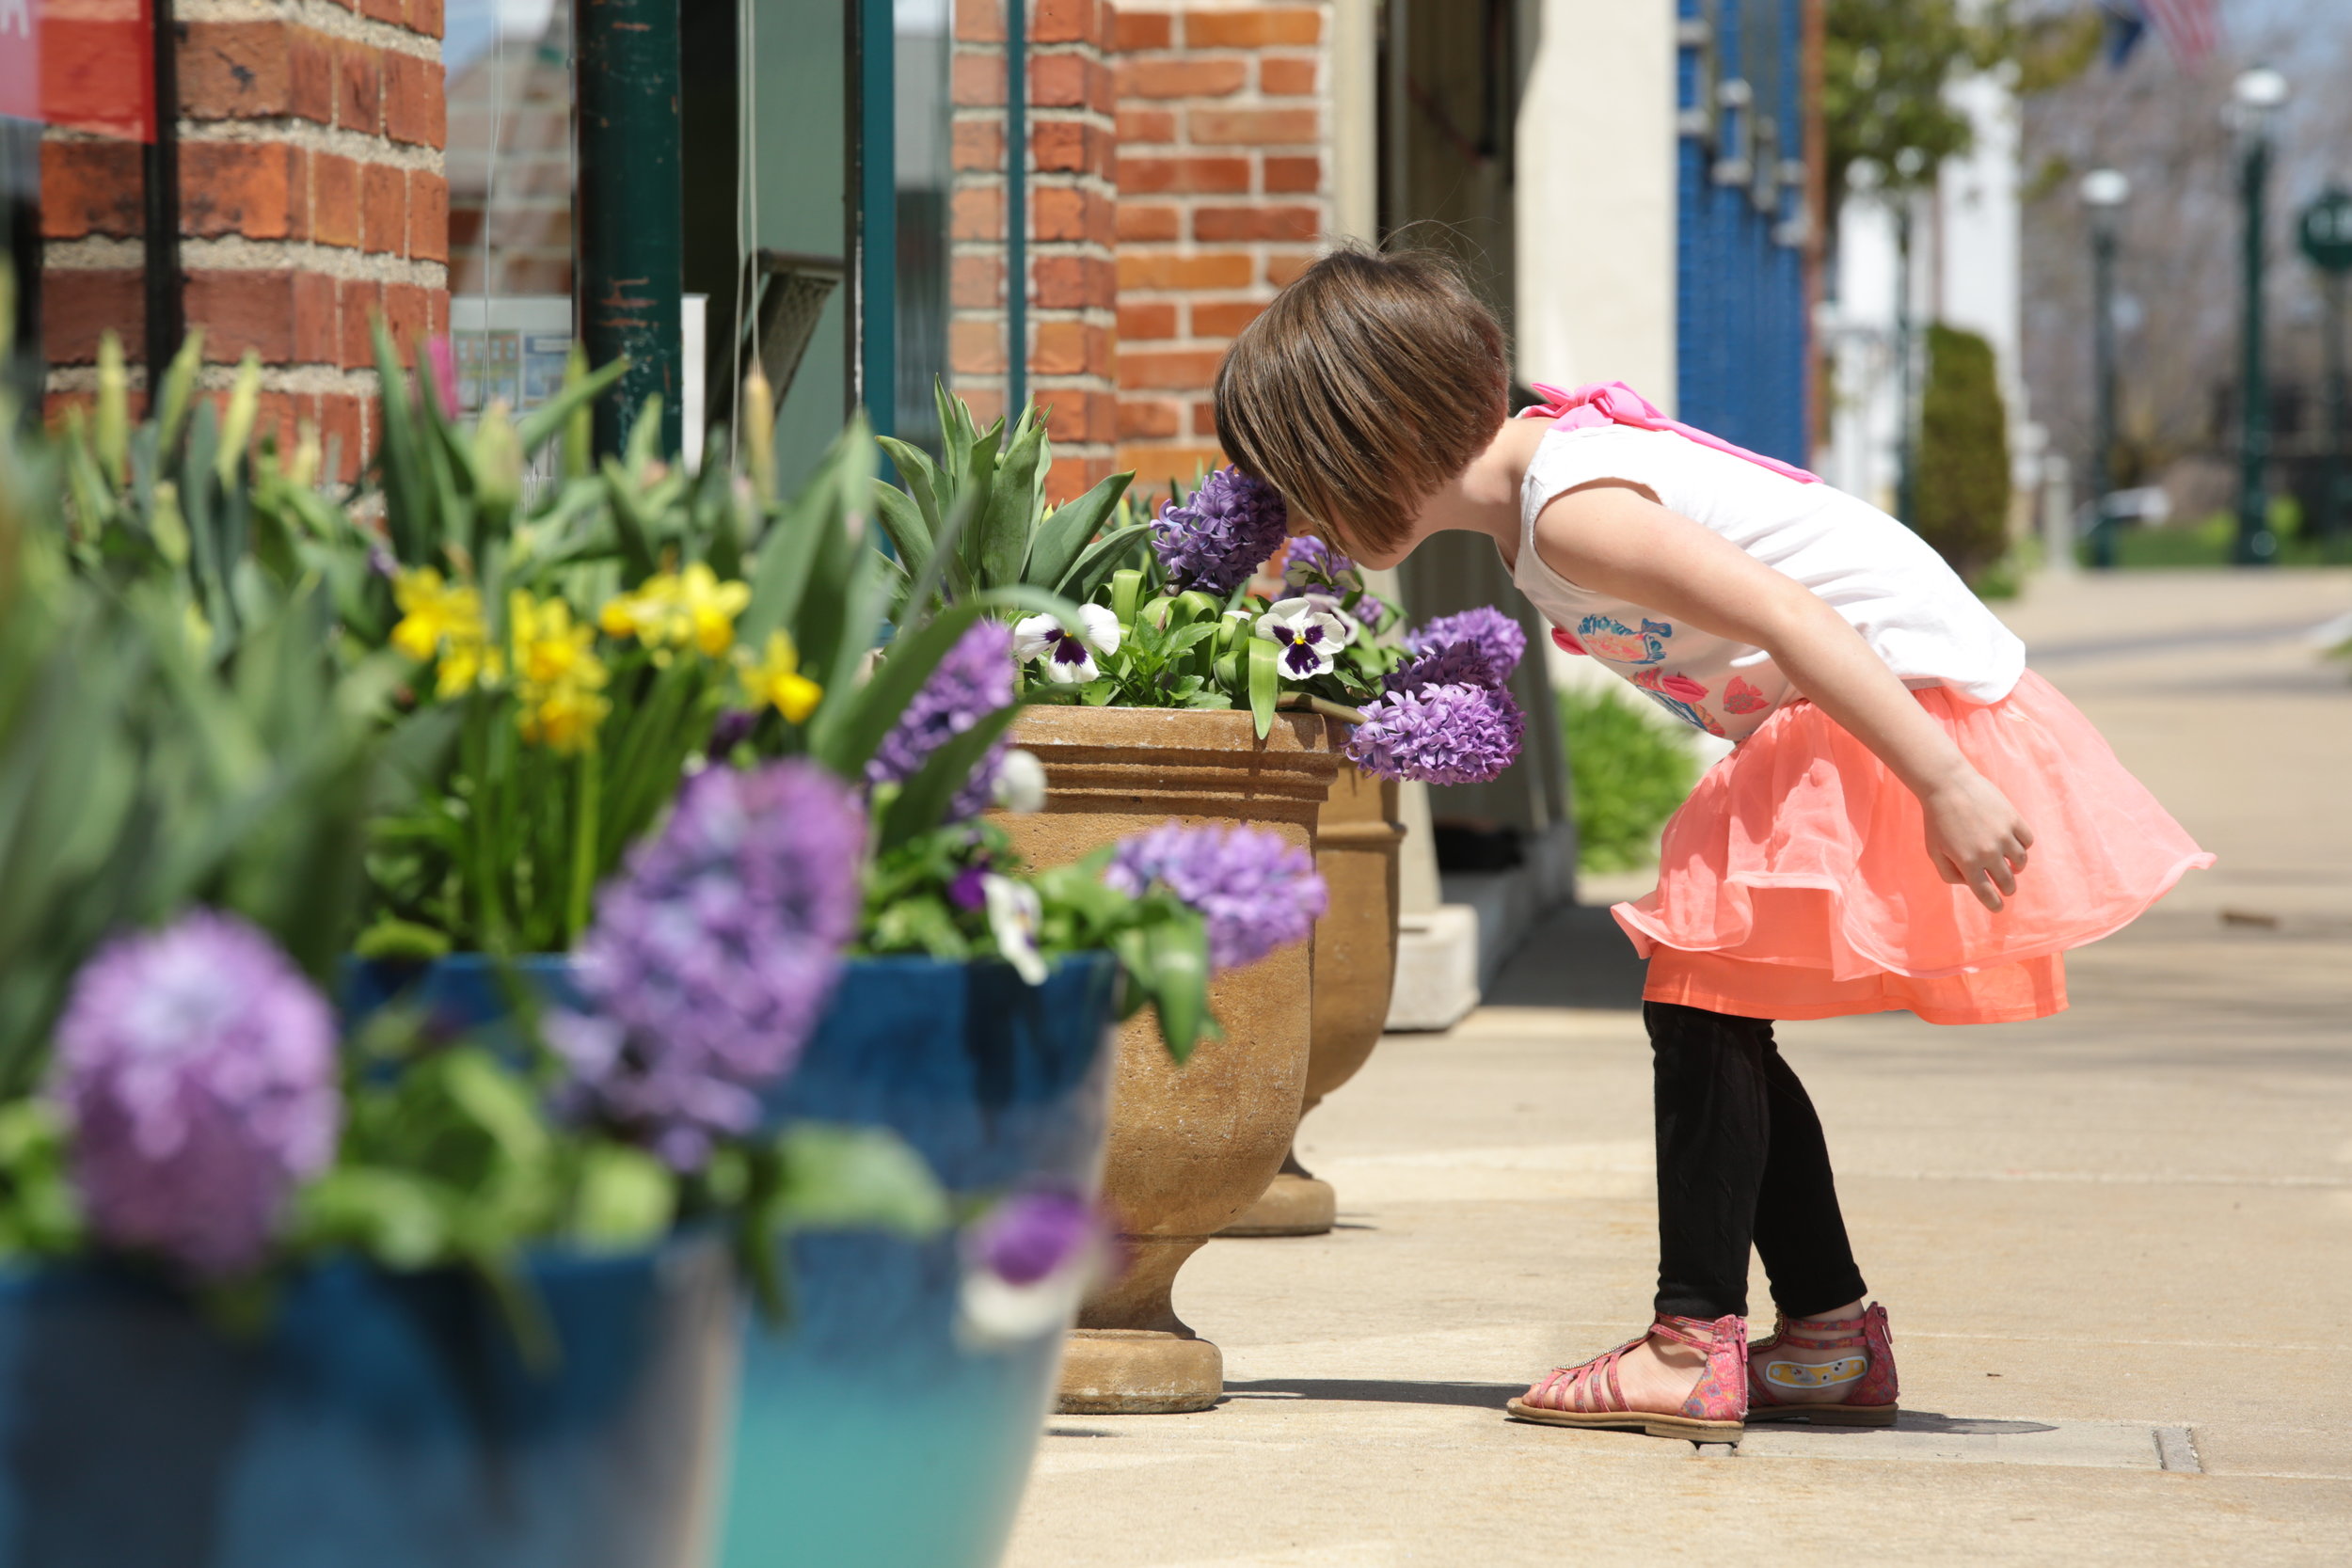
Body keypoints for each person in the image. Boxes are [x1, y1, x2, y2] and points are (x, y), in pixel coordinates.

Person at [1212, 247, 2212, 1442]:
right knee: (1706, 1010)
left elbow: (1797, 612)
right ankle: (1827, 1336)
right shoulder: (1550, 486)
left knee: (1698, 1006)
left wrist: (1942, 777)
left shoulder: (1572, 510)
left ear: (1370, 444)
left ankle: (1692, 1344)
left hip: (1884, 711)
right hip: (1855, 710)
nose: (1294, 516)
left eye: (1298, 483)